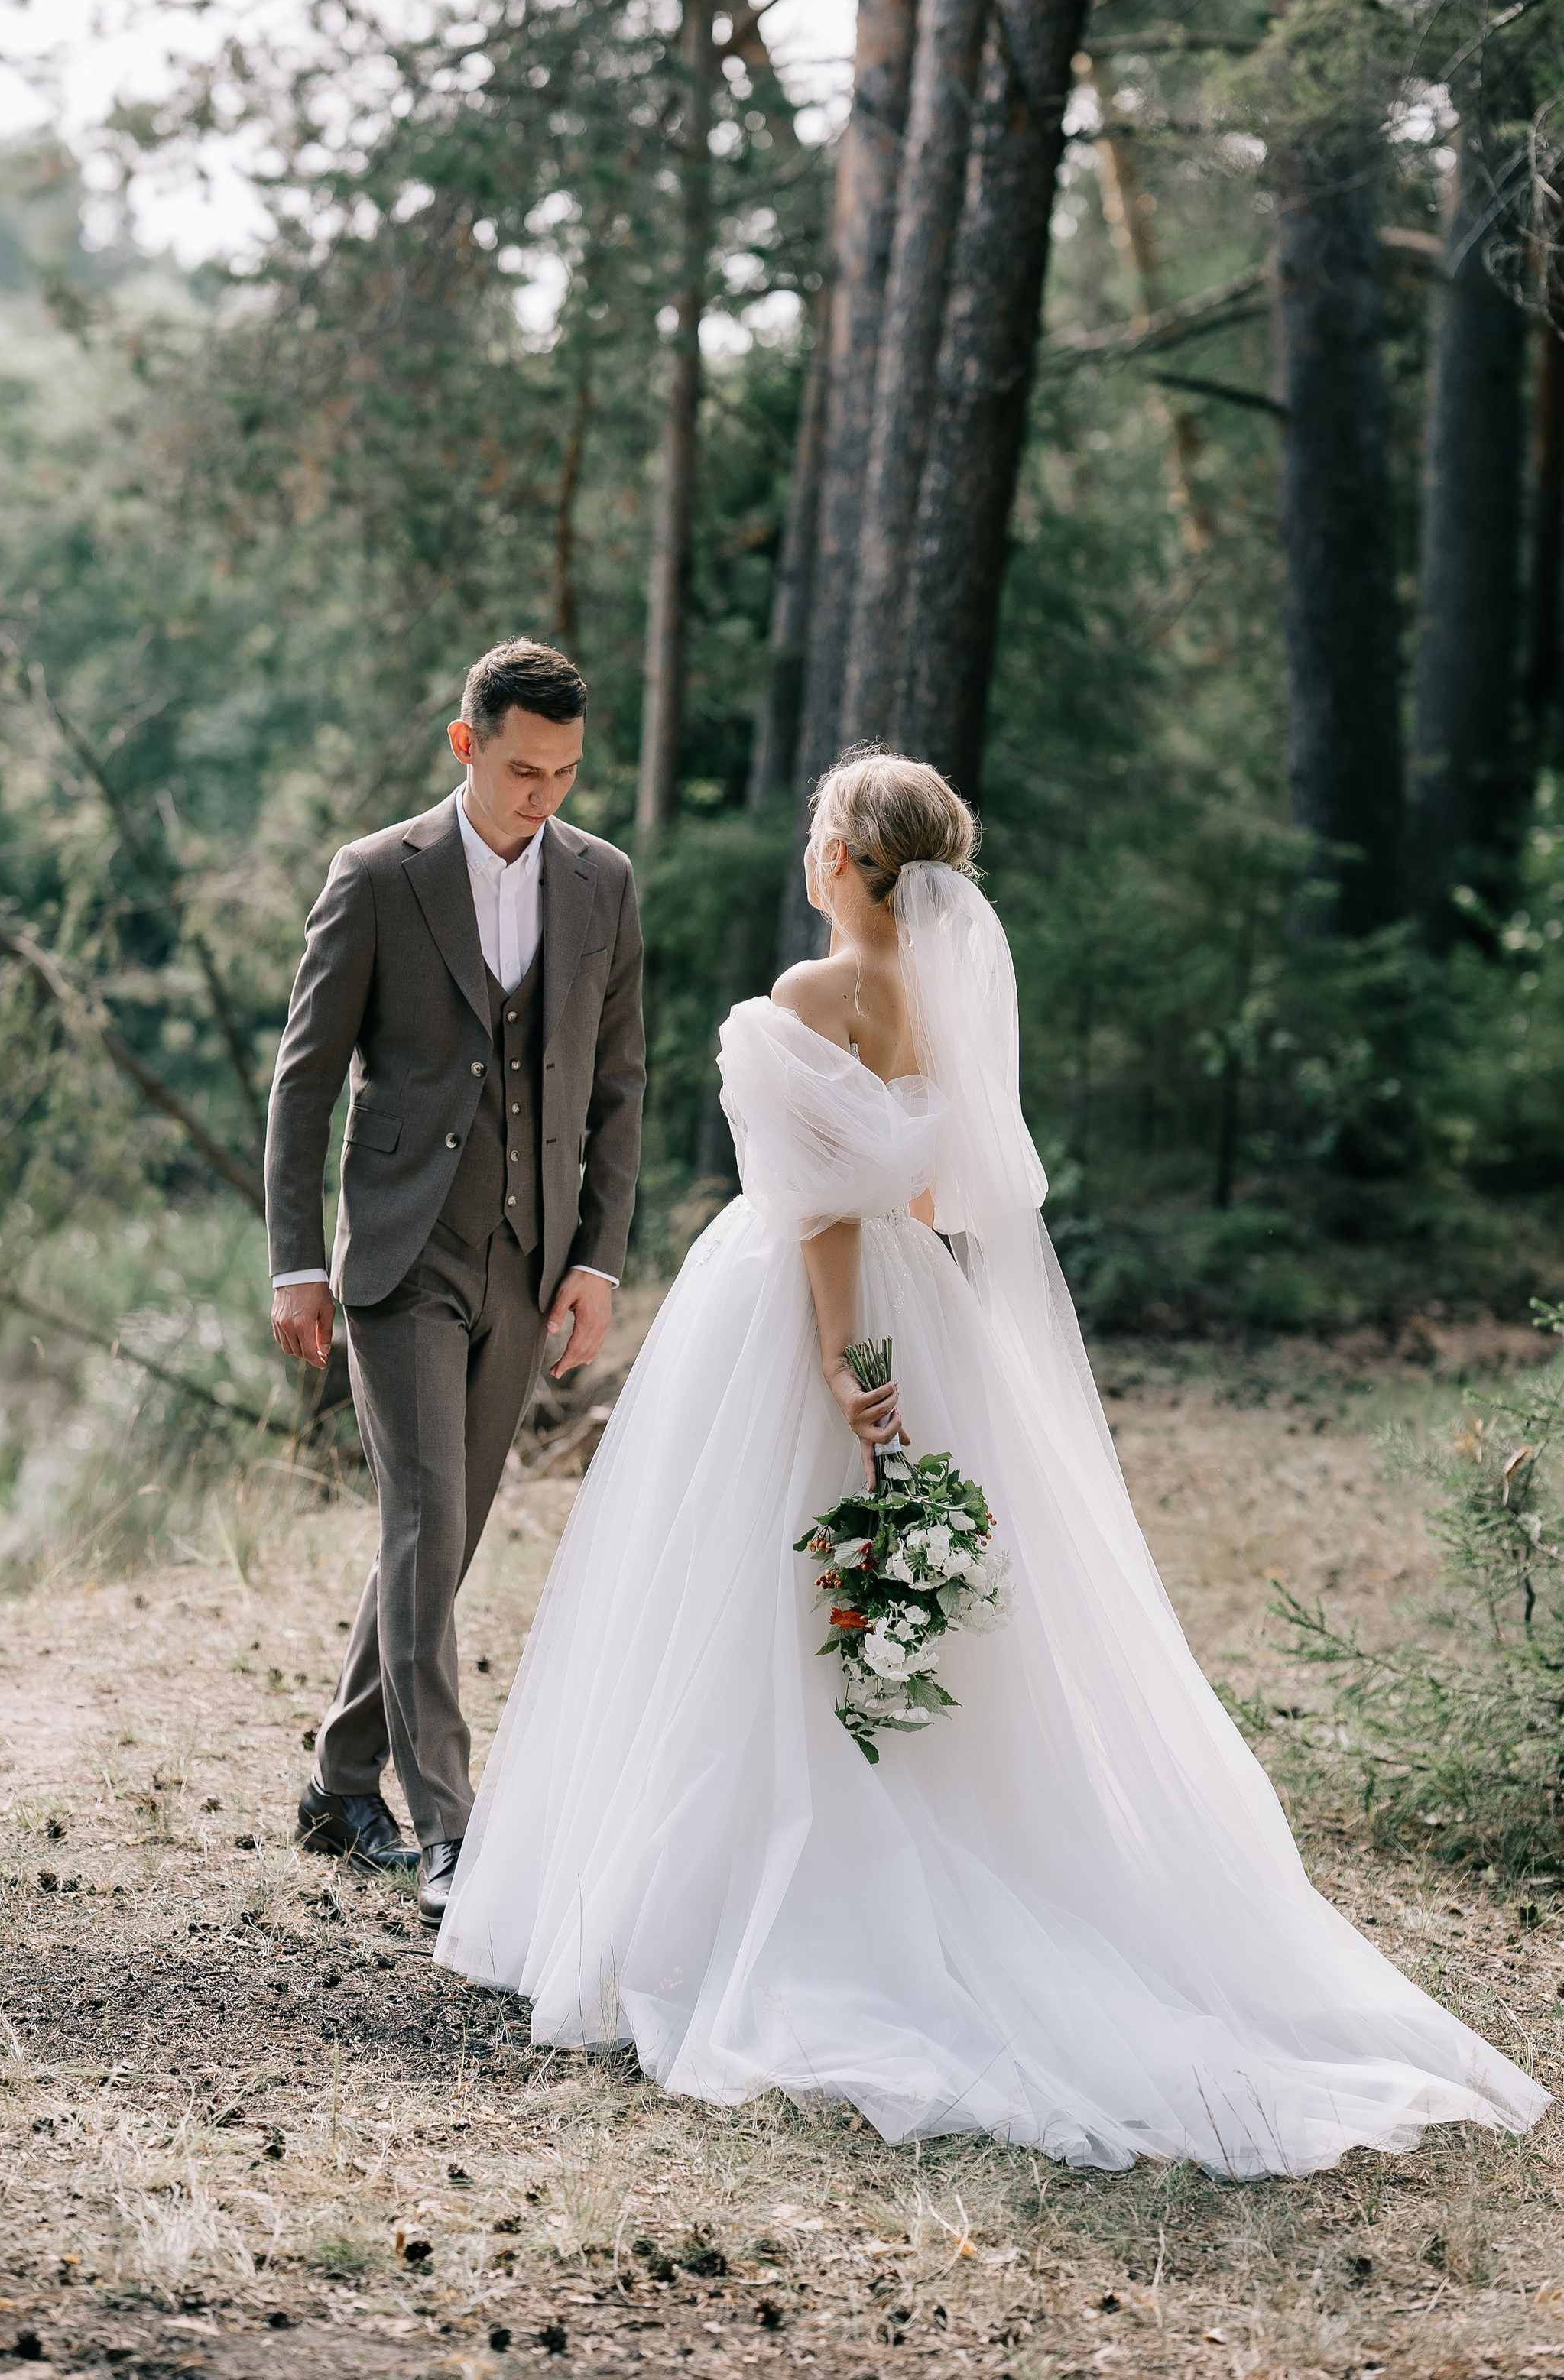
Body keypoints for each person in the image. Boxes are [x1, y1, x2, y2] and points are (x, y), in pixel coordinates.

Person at [436, 748, 1549, 2174]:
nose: (808, 852)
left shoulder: (815, 997)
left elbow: (830, 1210)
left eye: (818, 835)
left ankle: (741, 1892)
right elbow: (928, 1190)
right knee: (896, 1592)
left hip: (815, 1309)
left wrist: (845, 1360)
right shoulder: (940, 1003)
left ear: (842, 859)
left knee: (763, 1577)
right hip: (925, 1293)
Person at [266, 639, 645, 1927]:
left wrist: (597, 1256)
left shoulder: (603, 883)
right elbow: (305, 1080)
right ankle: (448, 1826)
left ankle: (337, 1781)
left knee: (446, 1528)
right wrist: (294, 1259)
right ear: (465, 742)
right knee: (428, 1513)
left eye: (566, 773)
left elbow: (619, 1085)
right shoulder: (376, 878)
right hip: (400, 1255)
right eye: (523, 768)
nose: (544, 795)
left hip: (530, 1259)